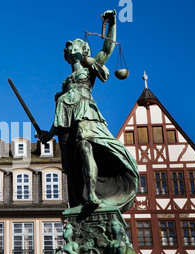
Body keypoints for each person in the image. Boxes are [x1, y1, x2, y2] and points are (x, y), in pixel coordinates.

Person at [39, 10, 138, 213]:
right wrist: (48, 134)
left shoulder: (89, 67)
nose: (71, 49)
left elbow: (108, 49)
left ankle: (93, 194)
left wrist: (112, 23)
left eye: (75, 45)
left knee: (86, 147)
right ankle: (77, 201)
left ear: (84, 50)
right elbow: (61, 115)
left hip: (86, 115)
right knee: (71, 166)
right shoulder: (65, 83)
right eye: (69, 48)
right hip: (68, 124)